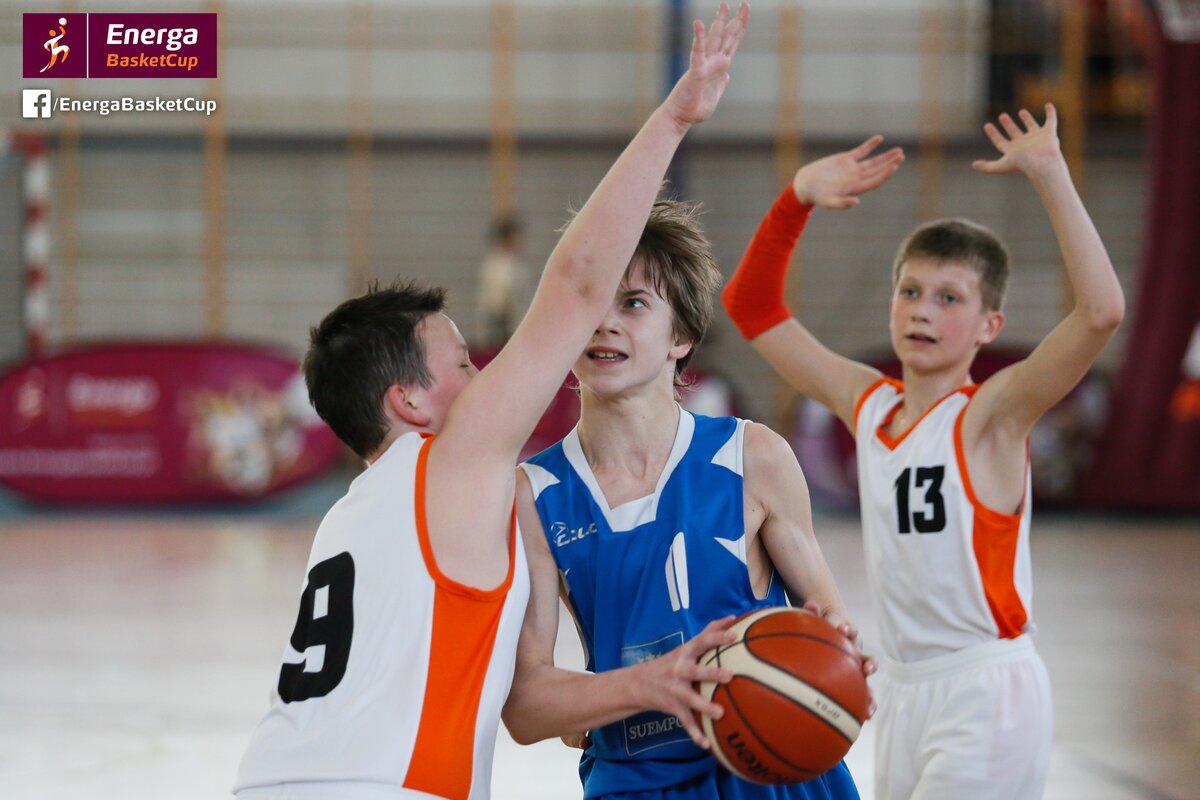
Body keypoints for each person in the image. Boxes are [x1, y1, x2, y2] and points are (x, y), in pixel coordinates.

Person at [233, 4, 750, 798]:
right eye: (465, 365)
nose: (486, 382)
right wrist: (675, 119)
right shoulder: (448, 465)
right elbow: (577, 286)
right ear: (409, 402)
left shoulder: (355, 516)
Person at [721, 106, 1124, 799]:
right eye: (909, 292)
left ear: (990, 326)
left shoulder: (992, 415)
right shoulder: (868, 402)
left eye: (948, 298)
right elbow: (751, 307)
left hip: (985, 689)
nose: (922, 310)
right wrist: (797, 198)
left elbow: (1101, 313)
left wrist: (1051, 173)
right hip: (902, 693)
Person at [502, 194, 870, 798]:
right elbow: (525, 708)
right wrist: (624, 689)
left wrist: (839, 661)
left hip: (770, 770)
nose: (605, 321)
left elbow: (828, 619)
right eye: (591, 300)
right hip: (636, 781)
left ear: (682, 335)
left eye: (633, 302)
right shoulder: (534, 493)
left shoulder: (753, 456)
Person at [476, 213, 530, 346]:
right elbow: (491, 300)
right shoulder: (492, 264)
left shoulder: (519, 265)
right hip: (497, 322)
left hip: (515, 323)